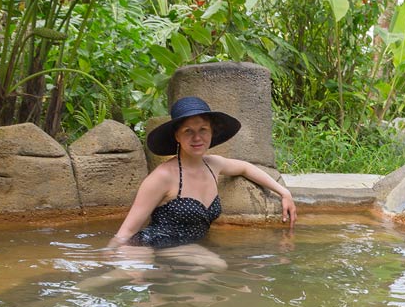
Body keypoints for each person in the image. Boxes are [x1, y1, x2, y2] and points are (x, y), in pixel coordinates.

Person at [108, 96, 296, 249]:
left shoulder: (213, 165)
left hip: (187, 252)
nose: (197, 137)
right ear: (177, 136)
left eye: (203, 129)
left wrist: (284, 192)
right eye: (188, 131)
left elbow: (246, 168)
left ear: (212, 132)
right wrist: (108, 255)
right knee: (215, 266)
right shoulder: (162, 177)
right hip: (152, 247)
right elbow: (125, 233)